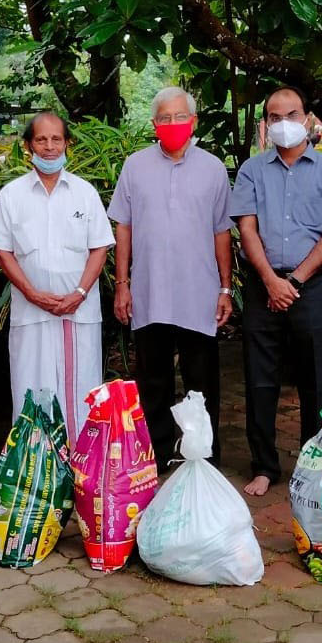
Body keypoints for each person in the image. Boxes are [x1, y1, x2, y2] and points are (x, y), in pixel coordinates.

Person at [230, 86, 322, 497]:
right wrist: (270, 280)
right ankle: (264, 466)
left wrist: (295, 281)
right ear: (266, 124)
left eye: (292, 114)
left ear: (308, 119)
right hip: (264, 283)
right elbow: (246, 227)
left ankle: (313, 467)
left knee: (316, 380)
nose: (284, 124)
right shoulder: (251, 170)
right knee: (259, 378)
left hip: (312, 287)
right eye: (275, 117)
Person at [109, 87, 234, 472]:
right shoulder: (135, 166)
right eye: (165, 118)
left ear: (193, 121)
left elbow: (221, 231)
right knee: (154, 378)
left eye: (181, 117)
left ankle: (204, 454)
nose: (173, 124)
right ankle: (158, 453)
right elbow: (123, 227)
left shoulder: (212, 167)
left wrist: (226, 287)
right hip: (149, 290)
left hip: (199, 291)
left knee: (201, 378)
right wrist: (122, 283)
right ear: (154, 124)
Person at [0, 112, 114, 440]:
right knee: (32, 390)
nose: (50, 147)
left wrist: (80, 293)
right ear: (28, 146)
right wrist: (32, 293)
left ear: (67, 143)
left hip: (79, 312)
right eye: (41, 139)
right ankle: (36, 474)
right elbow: (2, 251)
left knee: (82, 391)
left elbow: (100, 249)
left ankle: (81, 469)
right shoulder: (12, 195)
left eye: (57, 139)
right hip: (31, 313)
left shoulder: (85, 193)